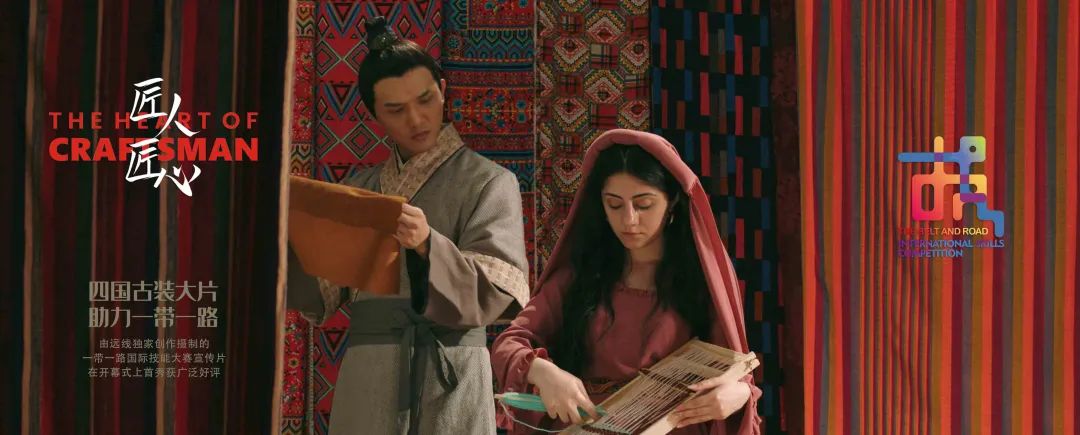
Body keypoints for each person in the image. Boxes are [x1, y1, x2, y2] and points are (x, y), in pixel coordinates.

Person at [286, 16, 530, 435]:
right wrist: (284, 237)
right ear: (375, 114)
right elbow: (319, 289)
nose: (416, 120)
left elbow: (497, 292)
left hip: (449, 370)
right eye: (396, 110)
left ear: (443, 90)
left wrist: (429, 244)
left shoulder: (490, 182)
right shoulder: (360, 191)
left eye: (426, 99)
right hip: (369, 371)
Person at [491, 129, 762, 434]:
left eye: (643, 204)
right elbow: (508, 343)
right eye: (615, 205)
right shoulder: (579, 278)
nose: (629, 220)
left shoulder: (703, 283)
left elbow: (736, 371)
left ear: (672, 200)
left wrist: (739, 393)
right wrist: (542, 371)